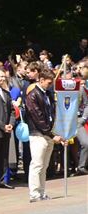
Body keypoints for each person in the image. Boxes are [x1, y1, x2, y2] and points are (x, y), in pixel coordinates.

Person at [23, 68, 60, 202]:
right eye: (49, 83)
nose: (50, 85)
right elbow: (37, 117)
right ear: (41, 80)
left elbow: (52, 113)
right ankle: (34, 193)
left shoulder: (48, 94)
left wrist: (54, 131)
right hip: (38, 134)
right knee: (37, 164)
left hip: (49, 133)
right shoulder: (32, 95)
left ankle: (42, 192)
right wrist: (50, 133)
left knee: (44, 166)